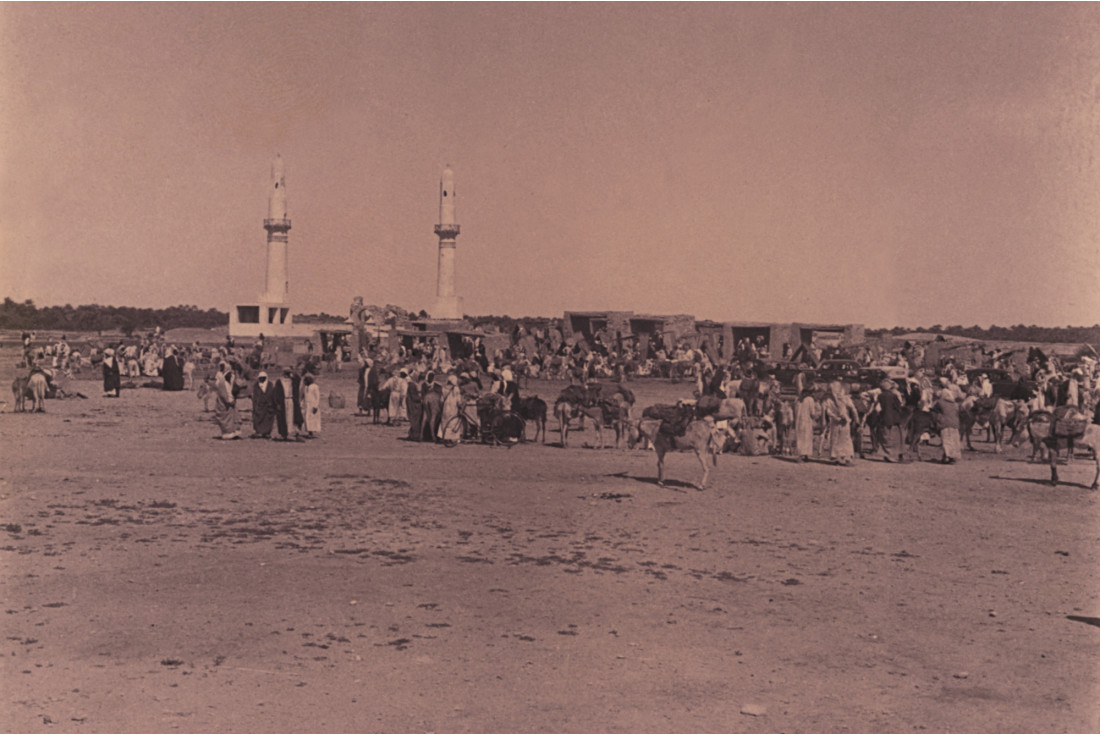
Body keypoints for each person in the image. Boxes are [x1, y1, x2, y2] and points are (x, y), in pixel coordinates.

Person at [823, 381, 857, 466]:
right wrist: (854, 419)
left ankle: (839, 457)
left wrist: (837, 418)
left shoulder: (830, 400)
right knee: (843, 439)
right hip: (841, 421)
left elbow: (828, 411)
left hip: (838, 421)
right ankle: (843, 458)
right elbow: (853, 409)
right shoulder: (844, 399)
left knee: (838, 439)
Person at [876, 379, 907, 463]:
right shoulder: (893, 396)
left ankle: (887, 454)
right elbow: (898, 406)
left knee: (886, 437)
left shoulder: (880, 396)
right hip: (894, 418)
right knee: (896, 437)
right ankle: (893, 455)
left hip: (884, 418)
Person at [273, 367, 303, 441]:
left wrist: (292, 374)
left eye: (288, 373)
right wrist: (277, 403)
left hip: (291, 401)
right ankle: (284, 434)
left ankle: (291, 433)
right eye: (285, 373)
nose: (286, 374)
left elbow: (298, 379)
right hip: (283, 401)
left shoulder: (292, 381)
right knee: (283, 417)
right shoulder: (279, 381)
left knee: (291, 417)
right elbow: (276, 393)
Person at [213, 363, 242, 440]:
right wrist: (229, 401)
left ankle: (234, 432)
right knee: (226, 419)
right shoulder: (222, 384)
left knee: (235, 417)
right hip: (224, 404)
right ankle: (227, 433)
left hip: (231, 403)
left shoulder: (230, 382)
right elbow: (223, 395)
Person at [933, 388, 961, 464]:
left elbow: (933, 410)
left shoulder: (939, 402)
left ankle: (948, 457)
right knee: (954, 441)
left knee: (946, 440)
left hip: (945, 423)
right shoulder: (955, 404)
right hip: (955, 424)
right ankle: (952, 456)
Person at [794, 388, 819, 461]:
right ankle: (803, 455)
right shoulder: (810, 399)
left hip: (799, 422)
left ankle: (802, 455)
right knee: (806, 438)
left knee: (800, 438)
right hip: (807, 421)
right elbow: (812, 413)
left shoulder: (797, 400)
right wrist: (817, 416)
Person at [250, 371, 277, 438]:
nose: (262, 379)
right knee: (258, 418)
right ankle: (259, 432)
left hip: (268, 406)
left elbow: (272, 394)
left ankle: (267, 432)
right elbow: (255, 396)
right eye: (260, 378)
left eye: (263, 378)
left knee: (268, 419)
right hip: (259, 406)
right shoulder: (256, 385)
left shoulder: (270, 385)